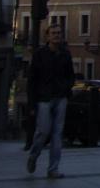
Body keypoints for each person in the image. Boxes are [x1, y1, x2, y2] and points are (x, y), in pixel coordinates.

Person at [26, 24, 74, 179]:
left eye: (59, 33)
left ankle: (53, 169)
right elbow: (32, 80)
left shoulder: (66, 55)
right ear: (47, 36)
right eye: (53, 33)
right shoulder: (39, 55)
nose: (56, 35)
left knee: (57, 134)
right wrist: (32, 103)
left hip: (60, 98)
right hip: (44, 99)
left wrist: (66, 88)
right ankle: (34, 155)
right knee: (43, 131)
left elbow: (71, 76)